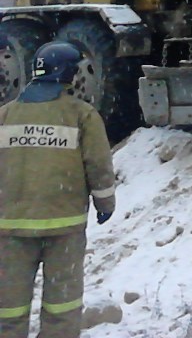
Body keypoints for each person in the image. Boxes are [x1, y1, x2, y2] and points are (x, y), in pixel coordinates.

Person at [0, 41, 116, 338]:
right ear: (67, 74)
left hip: (11, 228)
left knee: (7, 306)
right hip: (64, 228)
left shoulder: (6, 114)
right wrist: (105, 204)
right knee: (62, 305)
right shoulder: (82, 114)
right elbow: (98, 165)